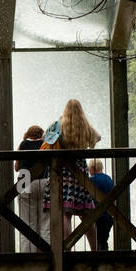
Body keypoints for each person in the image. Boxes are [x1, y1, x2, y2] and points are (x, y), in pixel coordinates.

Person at [40, 99, 101, 247]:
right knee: (86, 214)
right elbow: (97, 137)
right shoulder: (85, 126)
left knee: (64, 214)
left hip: (63, 173)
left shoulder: (59, 125)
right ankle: (95, 250)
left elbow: (45, 138)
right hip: (81, 173)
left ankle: (67, 249)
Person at [16, 125, 46, 253]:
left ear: (28, 134)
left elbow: (17, 167)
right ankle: (45, 252)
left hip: (24, 180)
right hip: (44, 180)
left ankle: (27, 254)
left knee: (27, 223)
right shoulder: (45, 144)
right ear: (41, 134)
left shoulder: (22, 144)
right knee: (44, 222)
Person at [88, 157, 115, 250]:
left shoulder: (91, 180)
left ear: (93, 168)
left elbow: (87, 197)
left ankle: (97, 260)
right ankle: (106, 259)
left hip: (97, 216)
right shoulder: (109, 178)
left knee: (97, 240)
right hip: (109, 216)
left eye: (89, 169)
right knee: (104, 240)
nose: (89, 171)